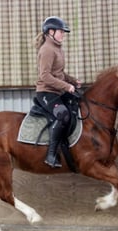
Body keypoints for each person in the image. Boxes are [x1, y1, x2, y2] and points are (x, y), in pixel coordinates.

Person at [34, 16, 82, 168]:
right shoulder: (47, 50)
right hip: (46, 92)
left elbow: (59, 73)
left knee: (79, 102)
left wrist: (73, 81)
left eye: (63, 32)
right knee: (63, 115)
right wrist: (66, 86)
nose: (63, 34)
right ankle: (51, 154)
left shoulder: (57, 48)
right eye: (61, 31)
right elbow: (45, 76)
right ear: (50, 32)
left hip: (57, 90)